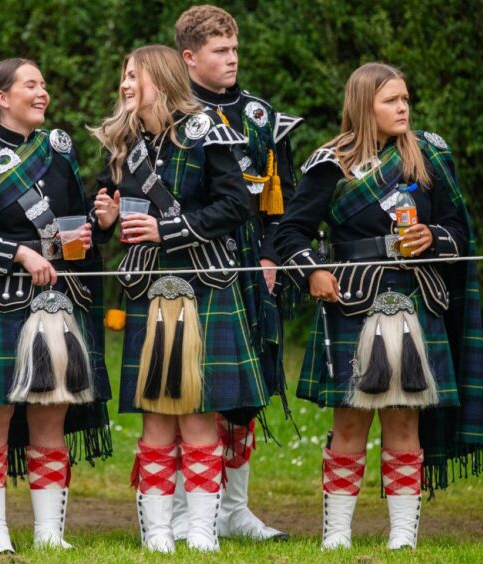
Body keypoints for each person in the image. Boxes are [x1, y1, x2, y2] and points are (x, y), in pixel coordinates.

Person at [274, 62, 483, 550]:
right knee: (350, 419)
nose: (403, 108)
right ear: (363, 106)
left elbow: (460, 233)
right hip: (351, 301)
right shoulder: (328, 163)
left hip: (418, 300)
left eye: (405, 99)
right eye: (391, 101)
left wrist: (431, 236)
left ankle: (402, 536)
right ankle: (336, 535)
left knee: (404, 417)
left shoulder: (429, 156)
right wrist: (313, 270)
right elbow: (289, 233)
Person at [91, 44, 269, 554]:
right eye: (123, 76)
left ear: (162, 79)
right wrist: (103, 217)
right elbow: (106, 210)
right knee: (155, 414)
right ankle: (159, 533)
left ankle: (202, 530)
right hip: (148, 288)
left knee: (196, 412)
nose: (125, 85)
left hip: (204, 286)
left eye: (133, 76)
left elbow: (236, 205)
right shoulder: (125, 142)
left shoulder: (206, 131)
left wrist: (169, 229)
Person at [0, 58, 112, 555]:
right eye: (31, 85)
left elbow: (70, 222)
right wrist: (17, 252)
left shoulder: (58, 151)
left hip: (55, 300)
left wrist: (94, 228)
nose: (43, 93)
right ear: (2, 97)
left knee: (50, 417)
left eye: (44, 85)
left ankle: (49, 533)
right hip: (0, 299)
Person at [171, 4, 304, 542]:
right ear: (189, 57)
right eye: (220, 51)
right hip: (192, 261)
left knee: (243, 391)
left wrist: (272, 255)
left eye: (234, 49)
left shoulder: (261, 115)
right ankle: (184, 510)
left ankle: (234, 508)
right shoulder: (174, 115)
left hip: (252, 263)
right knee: (189, 388)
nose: (232, 59)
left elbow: (287, 199)